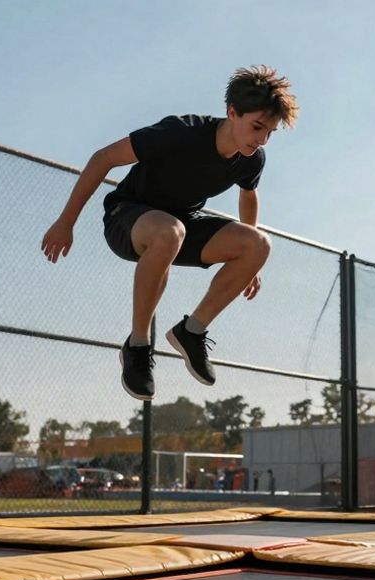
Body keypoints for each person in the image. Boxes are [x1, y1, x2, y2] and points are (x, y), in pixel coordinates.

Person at [41, 65, 299, 400]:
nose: (262, 139)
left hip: (182, 223)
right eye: (257, 127)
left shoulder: (252, 159)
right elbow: (103, 158)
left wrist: (251, 265)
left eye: (270, 133)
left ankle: (191, 332)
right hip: (128, 216)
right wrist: (66, 222)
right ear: (232, 112)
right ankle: (137, 346)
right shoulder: (181, 132)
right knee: (169, 232)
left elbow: (248, 195)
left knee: (259, 245)